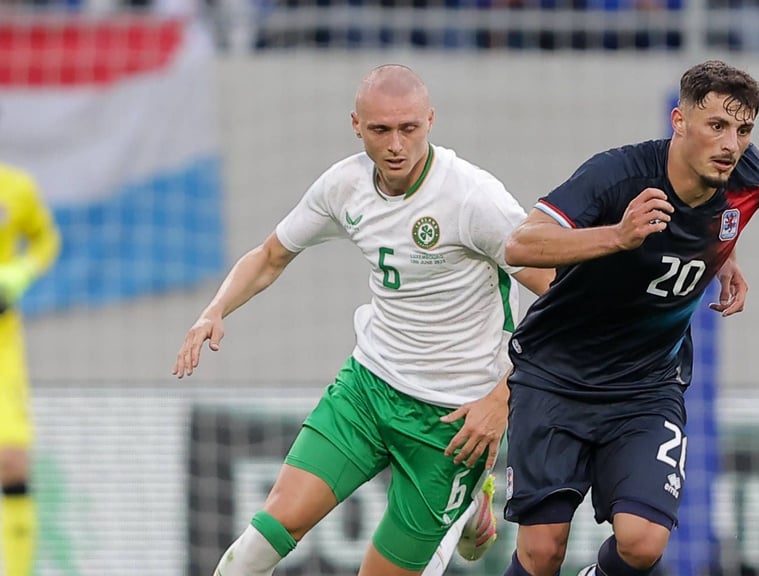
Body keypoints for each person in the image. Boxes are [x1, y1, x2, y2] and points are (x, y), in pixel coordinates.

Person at [172, 64, 554, 576]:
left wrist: (501, 402)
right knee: (251, 552)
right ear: (356, 125)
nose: (396, 145)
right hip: (368, 390)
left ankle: (468, 501)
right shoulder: (344, 186)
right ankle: (463, 512)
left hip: (453, 422)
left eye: (409, 129)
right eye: (380, 130)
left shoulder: (472, 198)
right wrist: (213, 309)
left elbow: (564, 303)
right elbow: (269, 255)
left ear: (431, 121)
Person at [499, 59, 759, 576]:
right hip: (557, 376)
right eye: (717, 126)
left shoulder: (749, 180)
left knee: (643, 544)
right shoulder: (618, 175)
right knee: (542, 552)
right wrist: (617, 236)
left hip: (646, 386)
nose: (731, 144)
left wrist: (724, 255)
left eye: (743, 129)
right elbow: (520, 244)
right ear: (679, 121)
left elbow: (720, 219)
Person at [0, 162, 62, 576]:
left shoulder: (16, 187)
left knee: (12, 459)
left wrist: (20, 272)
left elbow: (45, 239)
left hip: (3, 344)